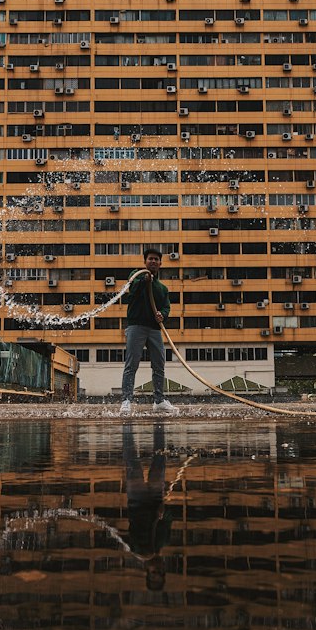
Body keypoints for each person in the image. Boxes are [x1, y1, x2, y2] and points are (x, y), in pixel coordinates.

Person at [119, 248, 175, 415]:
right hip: (136, 326)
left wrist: (162, 315)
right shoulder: (136, 275)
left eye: (156, 259)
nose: (153, 261)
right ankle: (126, 400)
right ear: (145, 261)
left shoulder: (162, 288)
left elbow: (166, 307)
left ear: (160, 263)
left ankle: (159, 400)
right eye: (150, 258)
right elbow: (132, 290)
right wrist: (144, 280)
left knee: (159, 365)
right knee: (131, 364)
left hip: (155, 329)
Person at [123, 421, 172, 590]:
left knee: (131, 458)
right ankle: (159, 426)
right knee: (160, 458)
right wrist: (163, 513)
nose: (158, 569)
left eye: (154, 573)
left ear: (147, 571)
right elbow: (169, 517)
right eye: (161, 572)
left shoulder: (138, 550)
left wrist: (146, 555)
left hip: (137, 499)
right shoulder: (164, 541)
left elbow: (134, 535)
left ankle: (126, 427)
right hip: (156, 496)